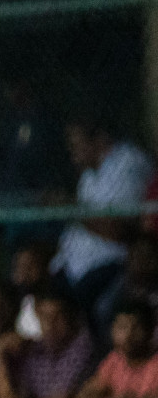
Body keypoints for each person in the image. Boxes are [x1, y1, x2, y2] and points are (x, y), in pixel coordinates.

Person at [52, 110, 153, 317]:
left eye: (76, 143)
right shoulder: (89, 174)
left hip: (110, 265)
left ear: (99, 139)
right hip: (73, 267)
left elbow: (121, 230)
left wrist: (71, 208)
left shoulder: (128, 163)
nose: (71, 151)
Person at [0, 291, 107, 398]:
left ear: (73, 318)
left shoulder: (88, 350)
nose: (50, 325)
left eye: (57, 317)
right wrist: (0, 358)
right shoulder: (35, 356)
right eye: (44, 317)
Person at [76, 301, 158, 398]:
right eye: (122, 327)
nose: (128, 335)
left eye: (136, 328)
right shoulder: (115, 362)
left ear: (150, 331)